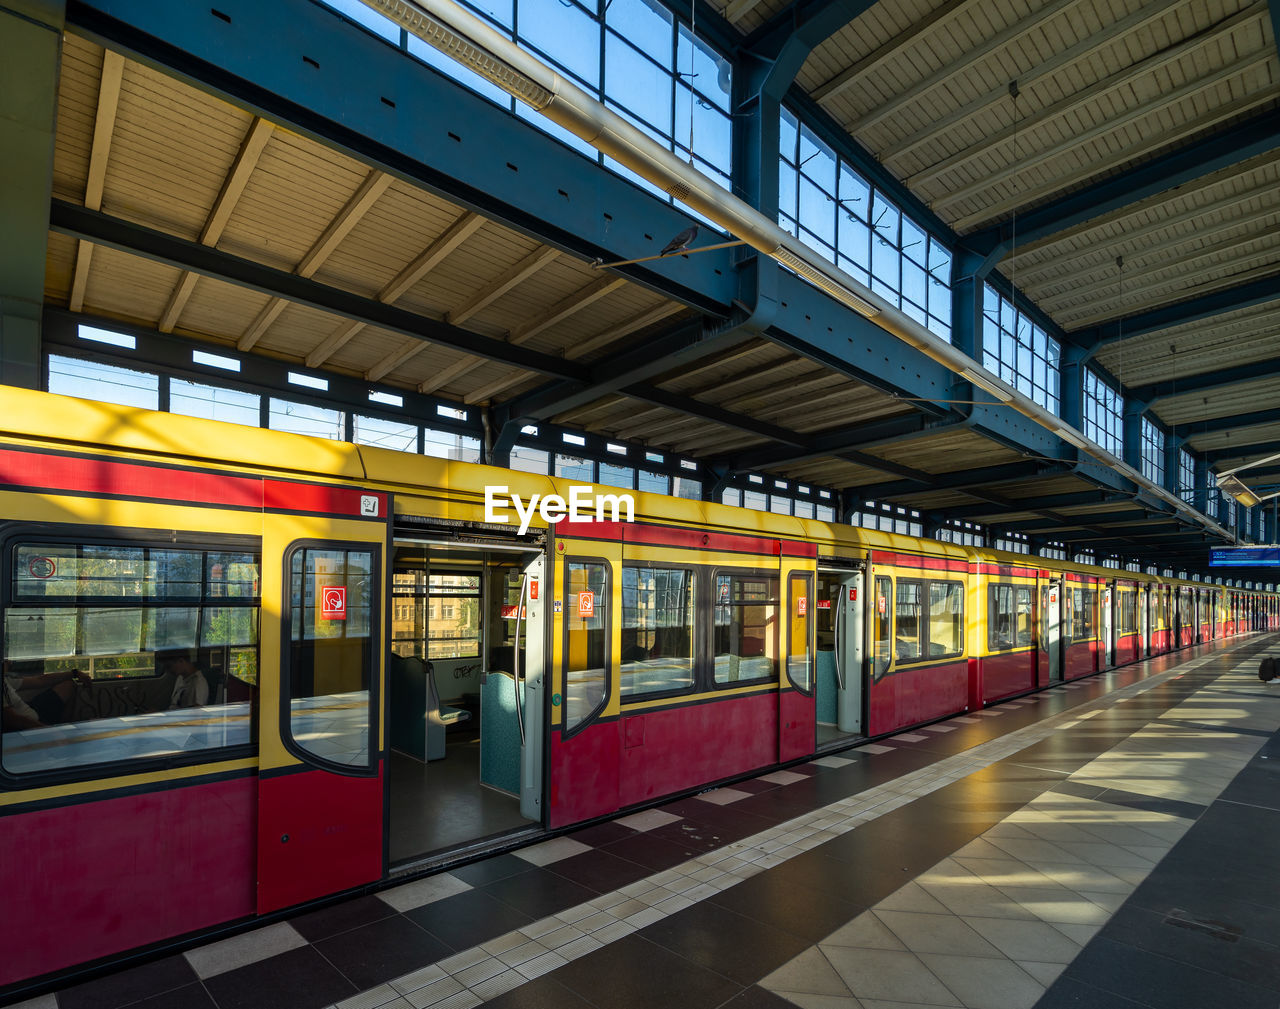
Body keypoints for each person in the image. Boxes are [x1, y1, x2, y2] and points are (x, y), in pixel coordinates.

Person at [1, 666, 91, 730]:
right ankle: (64, 730)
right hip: (31, 722)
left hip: (31, 709)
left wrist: (74, 673)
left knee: (68, 685)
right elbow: (12, 719)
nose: (9, 663)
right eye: (6, 661)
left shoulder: (6, 680)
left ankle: (64, 725)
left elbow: (40, 680)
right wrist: (48, 730)